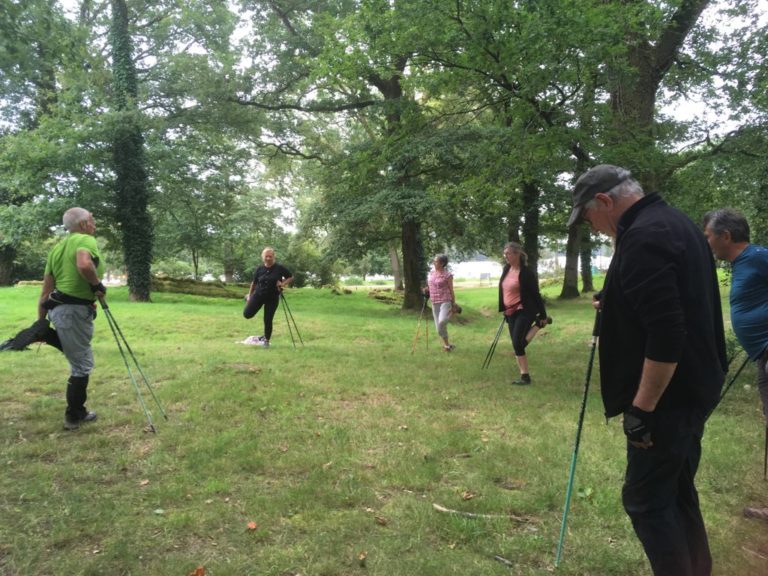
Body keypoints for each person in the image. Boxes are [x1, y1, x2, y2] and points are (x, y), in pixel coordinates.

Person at [568, 165, 727, 576]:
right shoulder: (674, 222)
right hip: (696, 387)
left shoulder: (642, 238)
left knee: (646, 501)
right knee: (676, 491)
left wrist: (642, 410)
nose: (594, 227)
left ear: (604, 202)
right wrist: (618, 296)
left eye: (589, 218)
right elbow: (673, 302)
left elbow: (667, 332)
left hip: (669, 400)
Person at [38, 207, 107, 430]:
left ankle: (75, 413)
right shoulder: (84, 240)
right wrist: (97, 285)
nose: (95, 225)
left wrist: (41, 322)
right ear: (84, 224)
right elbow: (84, 264)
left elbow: (45, 293)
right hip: (73, 312)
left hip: (60, 311)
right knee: (82, 364)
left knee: (78, 357)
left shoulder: (56, 249)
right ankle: (75, 415)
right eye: (92, 220)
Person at [703, 208, 768, 421]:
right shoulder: (741, 263)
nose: (707, 243)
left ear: (726, 236)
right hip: (761, 354)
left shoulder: (758, 257)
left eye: (708, 236)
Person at [498, 241, 549, 385]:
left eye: (508, 253)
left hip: (525, 310)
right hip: (510, 312)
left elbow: (535, 294)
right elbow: (504, 290)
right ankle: (525, 377)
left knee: (517, 344)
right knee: (518, 344)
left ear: (517, 254)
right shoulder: (506, 269)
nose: (505, 256)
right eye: (505, 253)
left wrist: (543, 314)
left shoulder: (526, 273)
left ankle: (539, 323)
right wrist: (504, 309)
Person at [243, 247, 293, 348]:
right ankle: (248, 299)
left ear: (274, 257)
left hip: (272, 297)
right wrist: (249, 295)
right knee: (247, 314)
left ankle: (266, 340)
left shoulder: (279, 268)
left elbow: (291, 277)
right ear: (263, 257)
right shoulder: (259, 269)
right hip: (258, 295)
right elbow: (254, 283)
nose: (268, 258)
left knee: (268, 319)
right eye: (266, 256)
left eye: (270, 256)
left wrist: (282, 284)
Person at [426, 254, 457, 352]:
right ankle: (447, 346)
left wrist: (453, 304)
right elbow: (430, 286)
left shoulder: (447, 275)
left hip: (445, 300)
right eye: (434, 261)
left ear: (442, 263)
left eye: (436, 261)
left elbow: (451, 290)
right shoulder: (431, 274)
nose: (434, 263)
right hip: (434, 302)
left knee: (442, 321)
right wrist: (426, 290)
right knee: (439, 329)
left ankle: (452, 312)